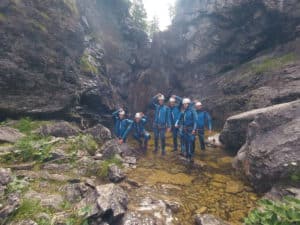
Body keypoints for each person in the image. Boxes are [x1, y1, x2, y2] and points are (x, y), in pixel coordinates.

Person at [175, 98, 197, 162]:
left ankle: (191, 156)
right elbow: (179, 117)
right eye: (184, 104)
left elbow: (195, 121)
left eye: (186, 104)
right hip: (185, 129)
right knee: (186, 142)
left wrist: (194, 129)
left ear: (188, 104)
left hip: (191, 129)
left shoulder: (193, 111)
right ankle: (187, 155)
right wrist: (177, 123)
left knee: (191, 142)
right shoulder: (184, 111)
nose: (184, 105)